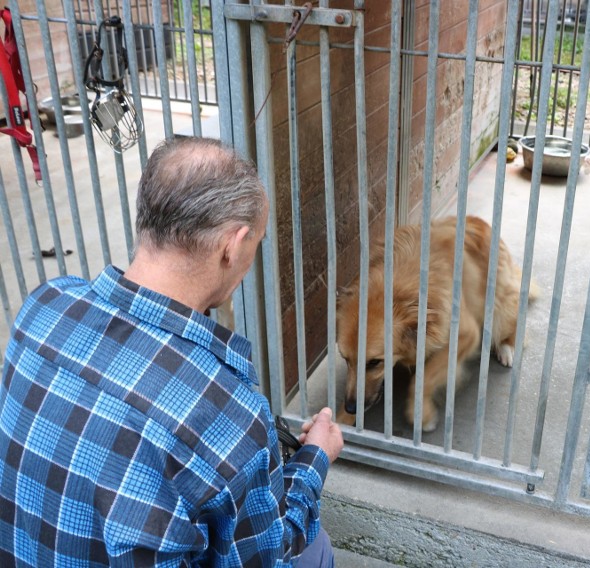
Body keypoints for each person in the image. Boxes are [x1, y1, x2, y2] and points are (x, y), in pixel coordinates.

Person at [0, 137, 343, 566]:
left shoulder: (44, 306)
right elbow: (265, 554)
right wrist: (314, 458)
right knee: (316, 550)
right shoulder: (230, 417)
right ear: (233, 245)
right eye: (256, 242)